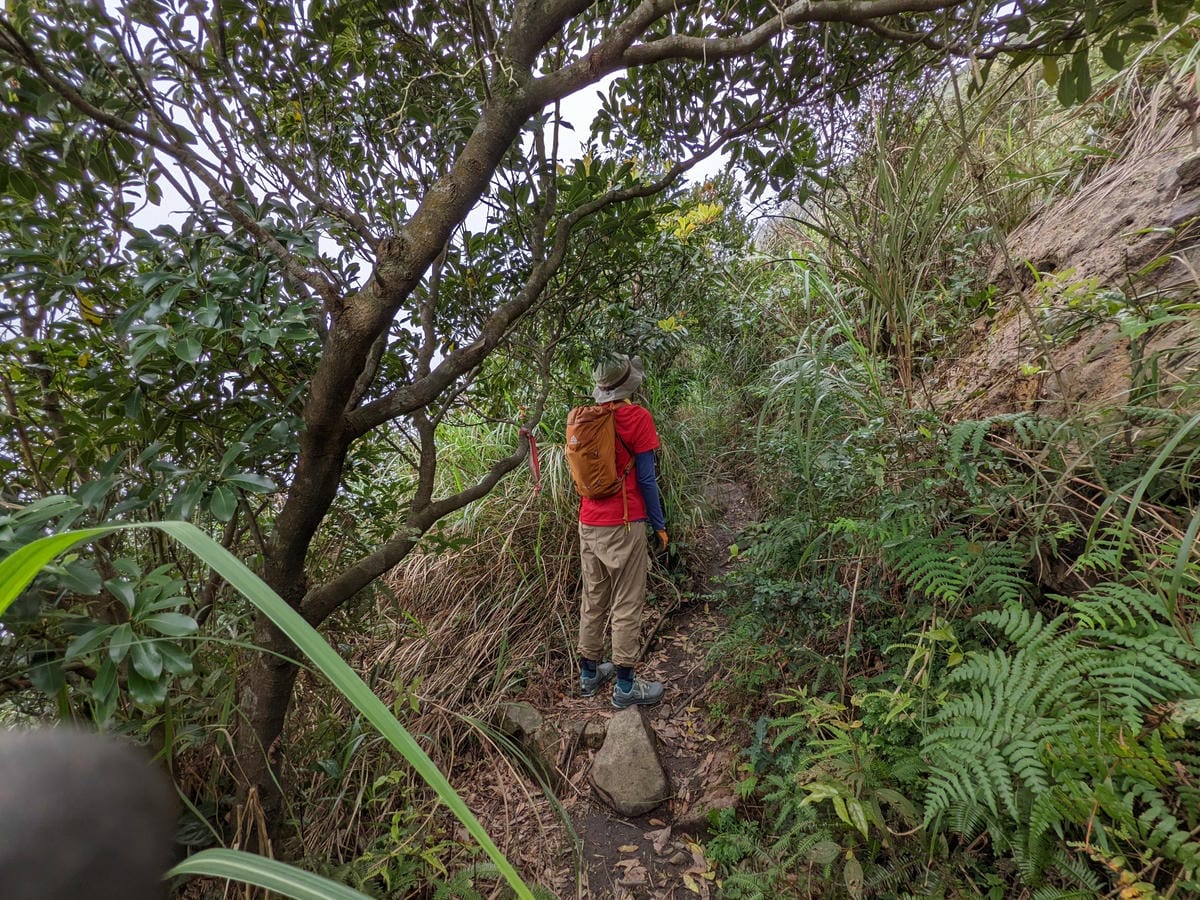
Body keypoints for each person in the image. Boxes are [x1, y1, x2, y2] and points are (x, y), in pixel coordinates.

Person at [577, 353, 668, 709]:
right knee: (627, 602)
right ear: (628, 385)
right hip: (625, 523)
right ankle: (627, 687)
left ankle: (589, 675)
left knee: (593, 597)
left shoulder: (586, 419)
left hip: (588, 523)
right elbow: (646, 478)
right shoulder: (636, 417)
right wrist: (659, 525)